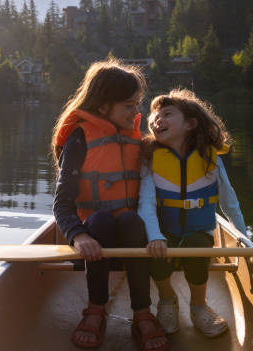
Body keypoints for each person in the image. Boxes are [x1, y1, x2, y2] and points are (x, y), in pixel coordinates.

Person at [52, 60, 169, 351]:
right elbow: (62, 204)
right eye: (129, 105)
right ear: (104, 106)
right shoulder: (79, 138)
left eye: (138, 104)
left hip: (134, 241)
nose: (136, 112)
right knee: (101, 221)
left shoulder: (138, 140)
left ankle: (142, 312)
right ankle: (95, 309)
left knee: (131, 220)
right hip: (92, 244)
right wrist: (79, 236)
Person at [137, 88, 247, 338]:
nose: (157, 119)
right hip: (164, 232)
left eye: (166, 113)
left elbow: (229, 202)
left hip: (199, 231)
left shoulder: (210, 158)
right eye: (154, 115)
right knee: (154, 250)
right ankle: (167, 300)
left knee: (198, 248)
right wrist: (154, 236)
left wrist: (244, 237)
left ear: (190, 124)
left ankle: (199, 306)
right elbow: (145, 204)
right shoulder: (150, 160)